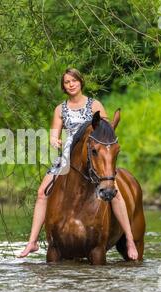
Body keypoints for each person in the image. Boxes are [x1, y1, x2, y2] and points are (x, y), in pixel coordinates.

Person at [17, 68, 138, 260]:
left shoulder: (94, 105)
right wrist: (54, 140)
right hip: (67, 156)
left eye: (74, 81)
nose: (71, 84)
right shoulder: (60, 109)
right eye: (67, 82)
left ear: (81, 82)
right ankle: (32, 242)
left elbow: (105, 132)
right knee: (42, 193)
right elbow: (54, 133)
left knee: (114, 193)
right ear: (63, 86)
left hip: (94, 157)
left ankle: (130, 239)